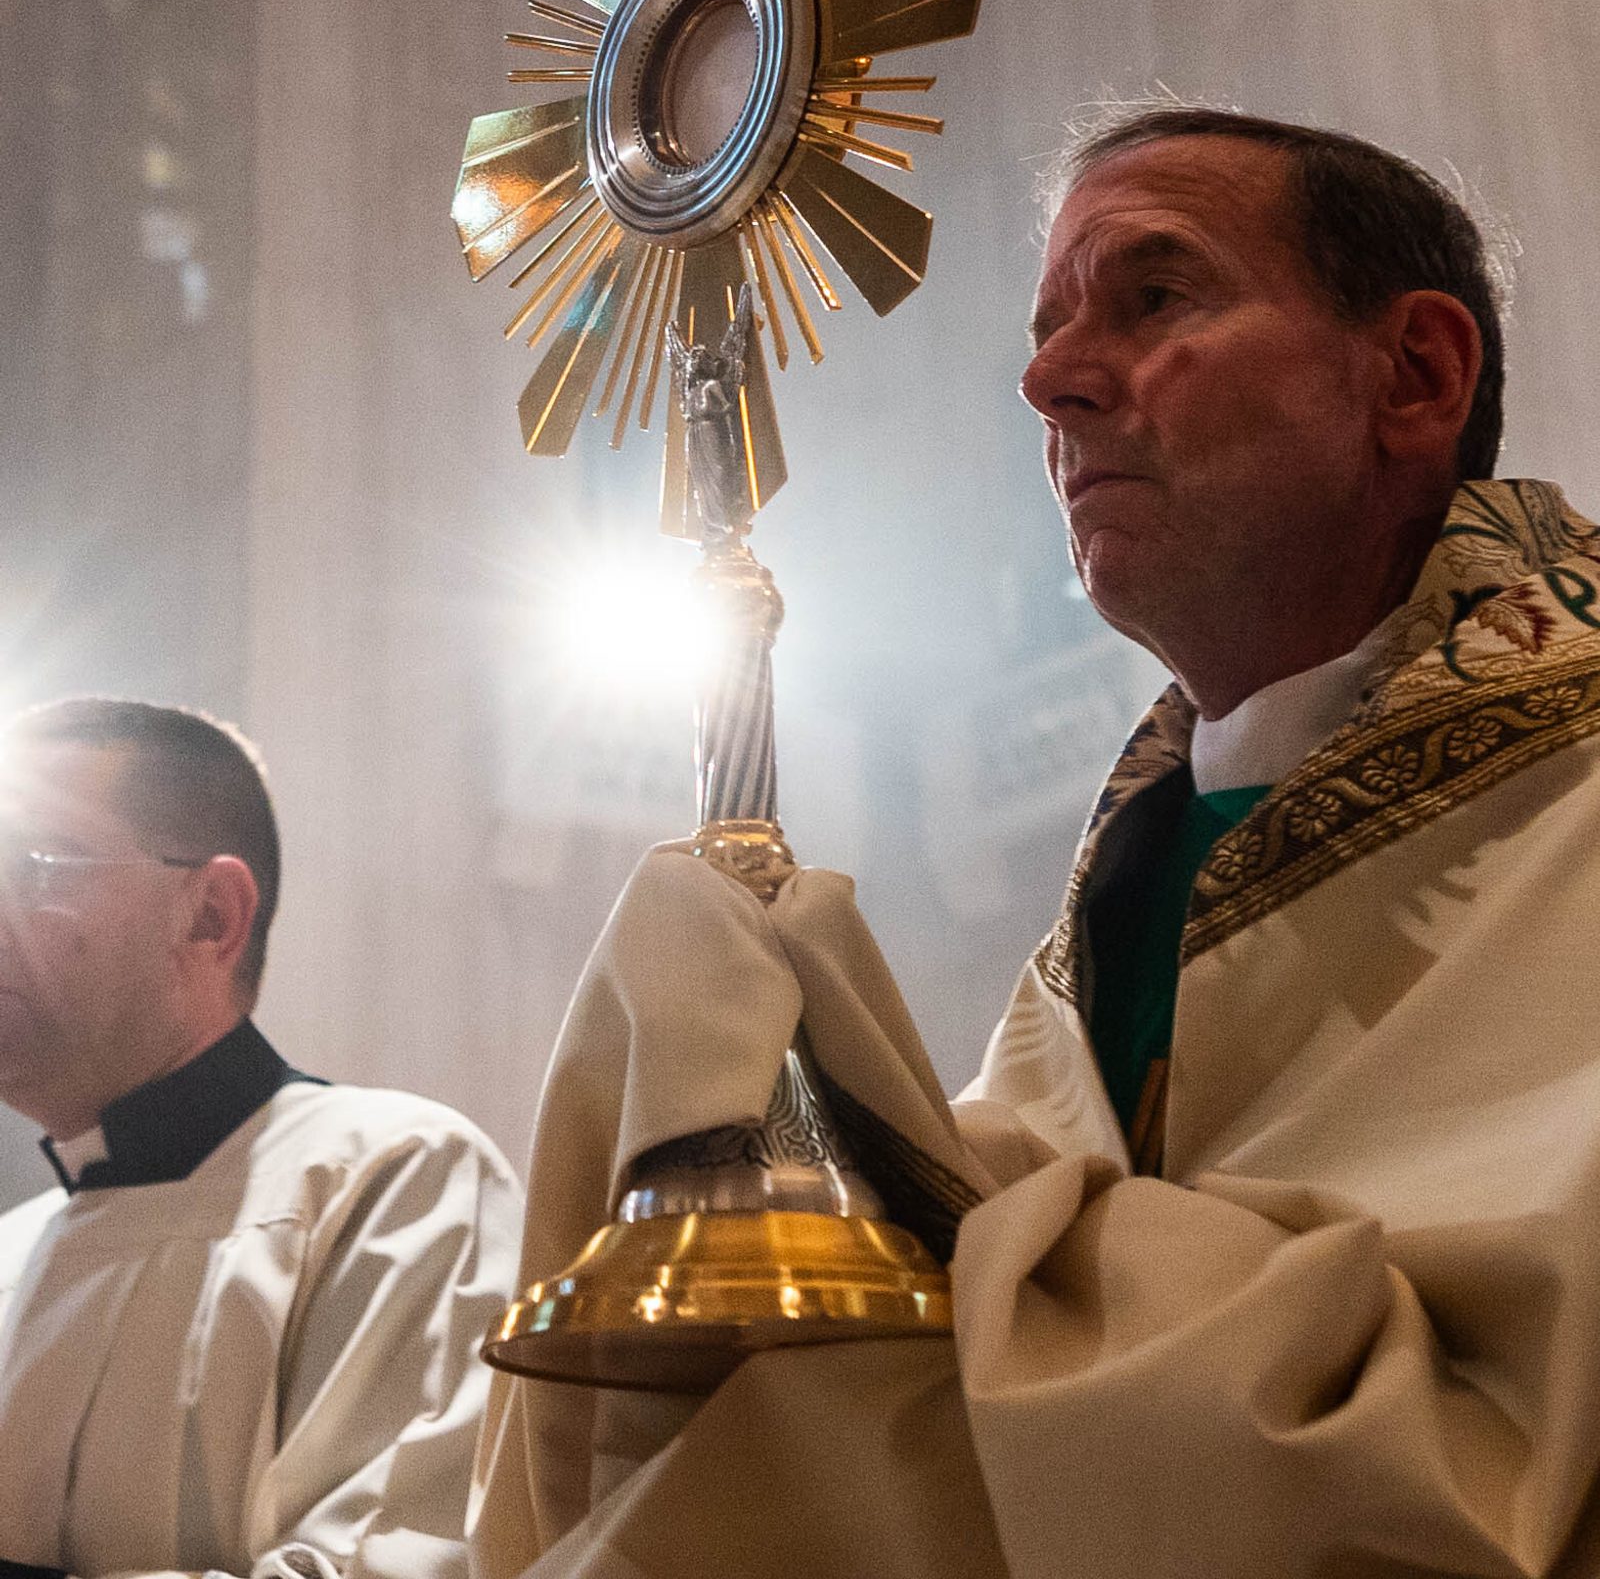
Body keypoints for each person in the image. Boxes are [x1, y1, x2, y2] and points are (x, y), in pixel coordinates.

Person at [471, 108, 1600, 1578]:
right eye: (1050, 323)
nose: (1049, 382)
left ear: (1417, 373)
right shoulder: (1127, 885)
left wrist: (922, 1170)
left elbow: (1453, 1463)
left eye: (1155, 297)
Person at [0, 698, 523, 1579]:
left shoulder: (397, 1179)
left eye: (31, 866)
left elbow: (395, 1565)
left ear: (209, 915)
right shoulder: (11, 1248)